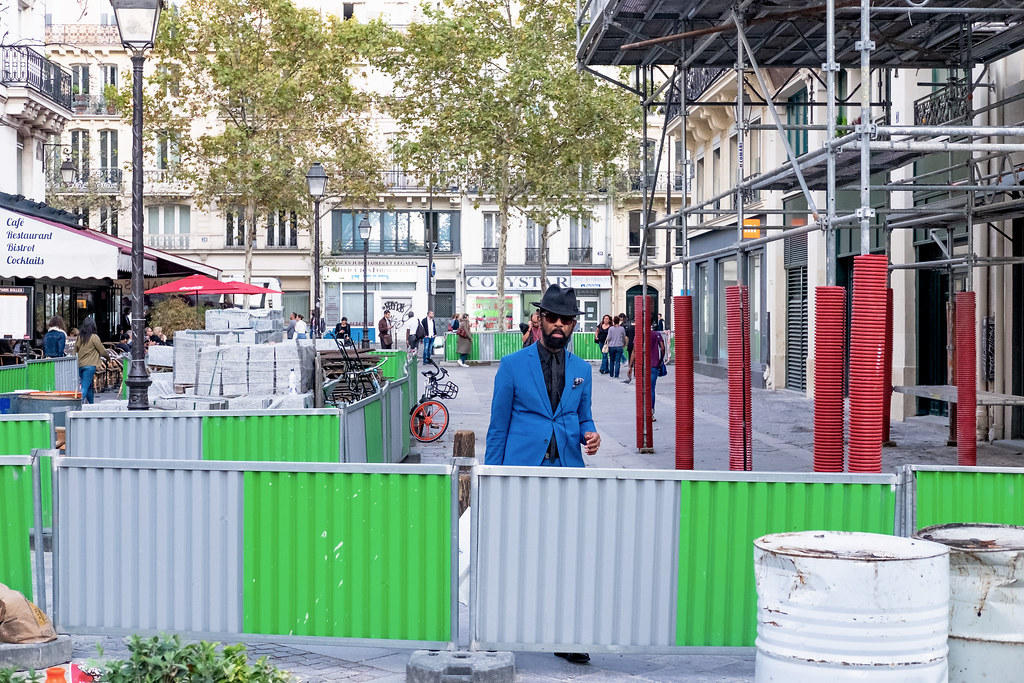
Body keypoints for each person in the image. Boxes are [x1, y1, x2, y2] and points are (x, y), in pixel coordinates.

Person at [485, 284, 600, 665]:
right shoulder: (512, 365)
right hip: (521, 473)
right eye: (552, 318)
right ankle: (499, 627)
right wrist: (491, 477)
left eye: (566, 321)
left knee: (567, 557)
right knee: (513, 552)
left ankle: (566, 634)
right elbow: (498, 427)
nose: (558, 326)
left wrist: (590, 433)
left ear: (572, 326)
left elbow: (583, 415)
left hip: (567, 472)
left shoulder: (583, 369)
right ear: (540, 320)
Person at [75, 317, 110, 405]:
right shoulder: (94, 337)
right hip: (90, 366)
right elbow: (102, 351)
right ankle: (79, 403)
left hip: (80, 365)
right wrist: (108, 358)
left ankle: (91, 404)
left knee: (89, 385)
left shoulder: (80, 337)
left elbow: (75, 350)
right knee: (85, 386)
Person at [648, 313, 668, 421]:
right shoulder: (656, 334)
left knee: (642, 389)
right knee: (651, 389)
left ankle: (643, 412)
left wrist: (631, 366)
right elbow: (663, 347)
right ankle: (651, 413)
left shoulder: (640, 334)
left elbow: (634, 351)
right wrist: (661, 359)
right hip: (654, 364)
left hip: (642, 366)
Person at [621, 312, 635, 384]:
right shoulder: (641, 328)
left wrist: (625, 344)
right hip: (639, 345)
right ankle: (637, 373)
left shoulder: (629, 328)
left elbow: (626, 337)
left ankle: (630, 375)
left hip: (630, 345)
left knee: (631, 360)